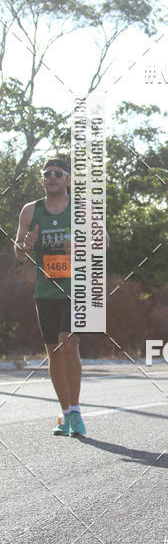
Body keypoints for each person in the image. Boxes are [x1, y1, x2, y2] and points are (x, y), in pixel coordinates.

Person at [14, 157, 86, 437]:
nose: (52, 177)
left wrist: (80, 245)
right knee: (54, 352)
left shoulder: (81, 209)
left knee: (68, 343)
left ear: (68, 179)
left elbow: (102, 242)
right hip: (46, 289)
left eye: (58, 173)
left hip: (76, 288)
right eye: (47, 174)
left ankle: (77, 412)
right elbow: (19, 253)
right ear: (42, 180)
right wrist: (25, 245)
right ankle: (65, 413)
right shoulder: (31, 211)